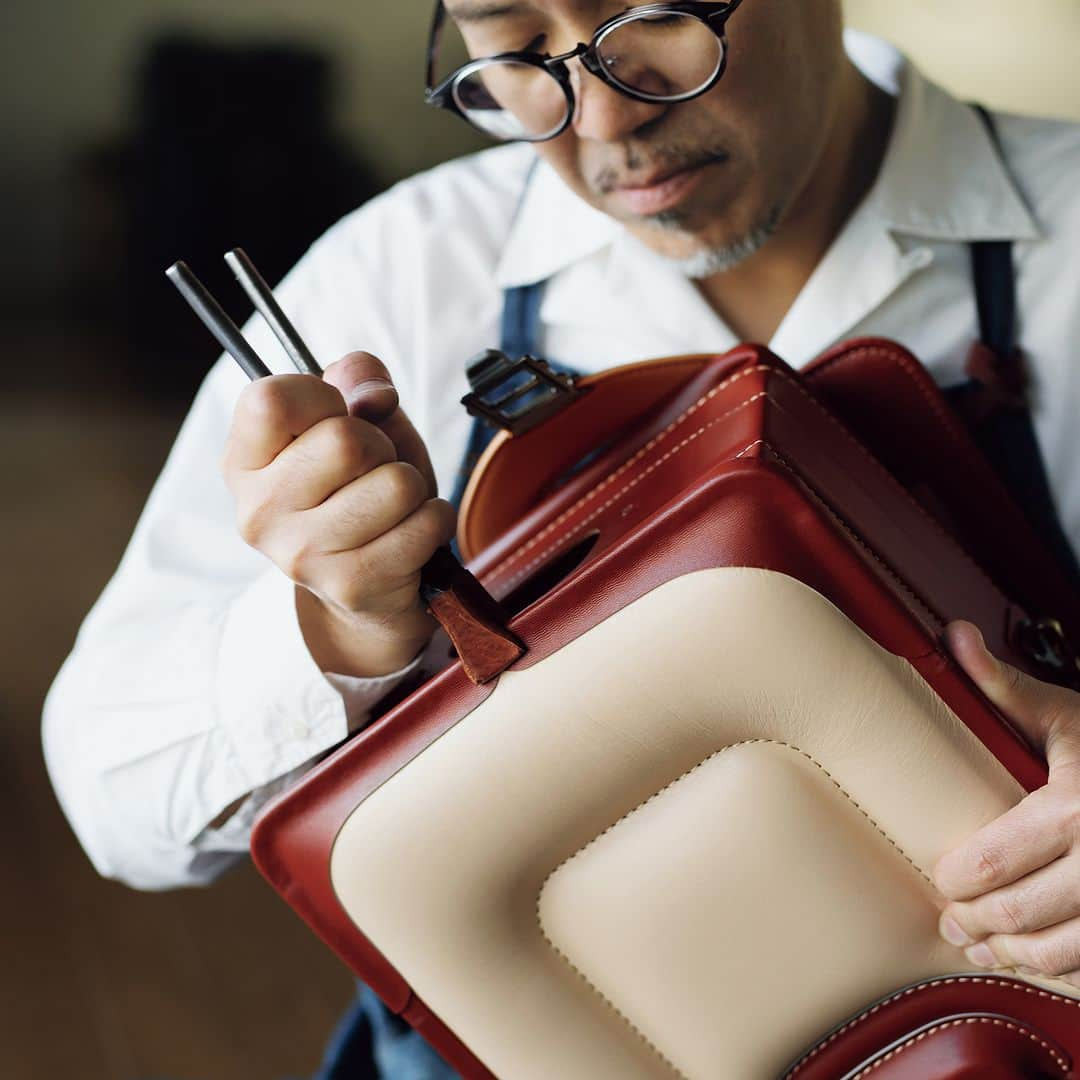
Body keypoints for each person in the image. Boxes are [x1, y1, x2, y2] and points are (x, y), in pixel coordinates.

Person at [44, 1, 1080, 1076]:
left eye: (660, 14)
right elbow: (114, 798)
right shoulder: (408, 273)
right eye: (513, 48)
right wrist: (338, 633)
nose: (599, 118)